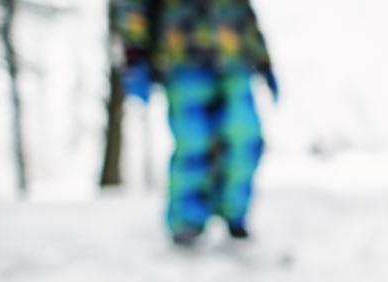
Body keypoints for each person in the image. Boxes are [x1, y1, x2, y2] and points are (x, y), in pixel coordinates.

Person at [115, 0, 278, 247]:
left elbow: (244, 10)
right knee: (194, 145)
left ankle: (234, 211)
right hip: (182, 57)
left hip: (233, 57)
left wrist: (264, 60)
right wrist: (134, 54)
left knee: (245, 138)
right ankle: (187, 221)